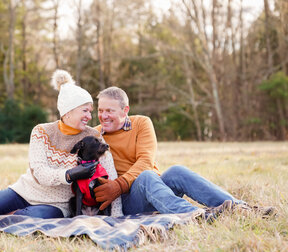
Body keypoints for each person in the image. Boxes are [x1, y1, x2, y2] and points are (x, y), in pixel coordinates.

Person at [93, 86, 275, 219]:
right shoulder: (94, 135)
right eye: (101, 110)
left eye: (110, 110)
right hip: (126, 201)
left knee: (176, 171)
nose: (104, 116)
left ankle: (240, 208)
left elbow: (146, 161)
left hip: (147, 185)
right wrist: (117, 188)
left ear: (125, 110)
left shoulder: (141, 123)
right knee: (147, 177)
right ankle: (196, 216)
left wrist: (119, 183)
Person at [0, 71, 123, 218]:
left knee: (26, 217)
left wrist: (117, 217)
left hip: (57, 205)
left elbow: (111, 178)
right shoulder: (41, 131)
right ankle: (7, 213)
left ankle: (9, 216)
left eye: (90, 111)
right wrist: (68, 175)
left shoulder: (93, 137)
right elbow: (39, 172)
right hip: (25, 192)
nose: (89, 116)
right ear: (68, 112)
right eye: (85, 111)